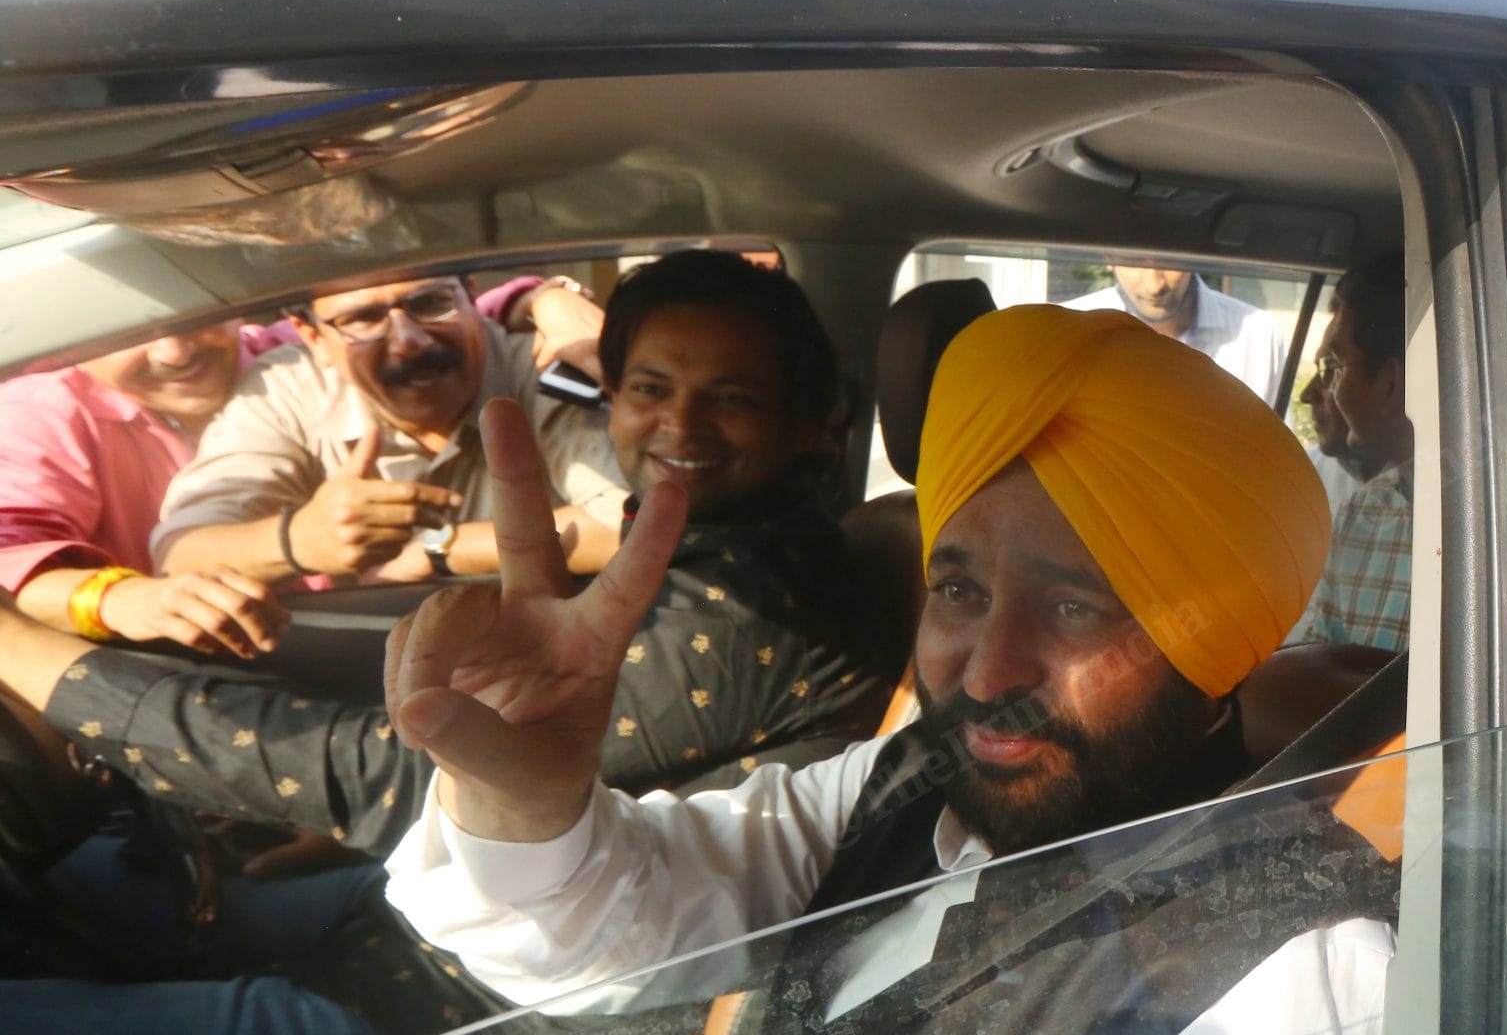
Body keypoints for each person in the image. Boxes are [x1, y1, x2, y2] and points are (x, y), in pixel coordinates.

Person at [380, 303, 1391, 1035]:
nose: (987, 666)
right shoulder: (917, 780)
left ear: (1217, 655)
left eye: (1074, 604)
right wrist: (521, 798)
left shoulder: (1281, 979)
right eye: (958, 590)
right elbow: (600, 942)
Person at [7, 252, 904, 859]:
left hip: (490, 1008)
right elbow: (190, 542)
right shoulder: (724, 547)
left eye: (732, 397)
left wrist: (33, 656)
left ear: (808, 427)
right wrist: (297, 542)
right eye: (650, 388)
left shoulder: (756, 600)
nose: (679, 425)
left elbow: (394, 773)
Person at [0, 277, 590, 654]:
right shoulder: (38, 419)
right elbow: (10, 563)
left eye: (190, 315)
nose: (174, 351)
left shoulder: (272, 358)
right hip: (176, 657)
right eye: (125, 333)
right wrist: (118, 600)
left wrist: (540, 298)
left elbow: (396, 309)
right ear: (74, 343)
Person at [154, 273, 629, 587]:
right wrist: (298, 539)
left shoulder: (541, 363)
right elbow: (181, 552)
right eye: (363, 319)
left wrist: (442, 549)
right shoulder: (284, 391)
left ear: (470, 301)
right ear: (313, 338)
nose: (410, 341)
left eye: (430, 304)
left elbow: (634, 526)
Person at [1292, 256, 1415, 651]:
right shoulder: (1363, 513)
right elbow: (1319, 665)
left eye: (1334, 366)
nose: (1316, 392)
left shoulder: (1506, 523)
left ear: (1390, 383)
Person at [1068, 259, 1283, 402]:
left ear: (1193, 255)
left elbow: (1279, 450)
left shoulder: (1258, 335)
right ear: (1108, 257)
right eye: (1135, 261)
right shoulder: (1069, 329)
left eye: (1169, 261)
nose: (1154, 286)